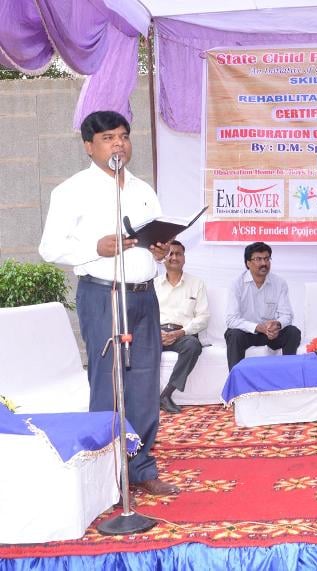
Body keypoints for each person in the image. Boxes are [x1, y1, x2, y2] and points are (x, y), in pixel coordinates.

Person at [38, 110, 179, 496]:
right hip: (103, 293)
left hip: (143, 295)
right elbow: (49, 248)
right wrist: (94, 247)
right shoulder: (70, 191)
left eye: (123, 136)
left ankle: (141, 468)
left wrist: (161, 251)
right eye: (107, 138)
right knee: (109, 384)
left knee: (146, 382)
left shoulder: (142, 189)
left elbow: (151, 244)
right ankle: (105, 474)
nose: (118, 144)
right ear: (89, 146)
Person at [225, 242, 301, 370]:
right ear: (248, 263)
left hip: (270, 334)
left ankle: (290, 374)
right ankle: (236, 381)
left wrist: (277, 325)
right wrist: (258, 327)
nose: (263, 263)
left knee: (293, 332)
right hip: (246, 333)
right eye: (258, 259)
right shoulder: (236, 284)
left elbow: (287, 315)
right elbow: (231, 320)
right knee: (234, 335)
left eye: (266, 259)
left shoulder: (279, 283)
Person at [154, 240, 210, 413]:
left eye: (178, 254)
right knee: (138, 347)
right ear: (164, 258)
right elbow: (145, 315)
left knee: (193, 346)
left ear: (184, 258)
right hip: (157, 332)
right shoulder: (153, 284)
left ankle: (166, 394)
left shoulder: (196, 283)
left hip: (182, 334)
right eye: (170, 253)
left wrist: (180, 333)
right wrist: (157, 332)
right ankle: (143, 397)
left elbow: (204, 317)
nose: (174, 257)